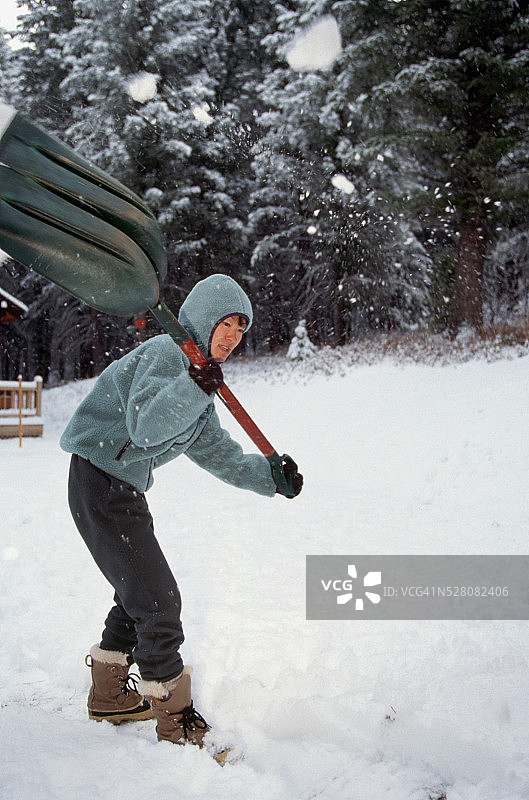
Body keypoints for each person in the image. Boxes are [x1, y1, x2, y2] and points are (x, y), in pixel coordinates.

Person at [61, 273, 303, 751]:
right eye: (226, 324)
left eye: (241, 329)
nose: (232, 337)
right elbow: (146, 427)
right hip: (99, 480)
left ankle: (109, 696)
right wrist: (194, 386)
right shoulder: (167, 355)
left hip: (121, 487)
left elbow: (221, 455)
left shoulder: (198, 380)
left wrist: (270, 479)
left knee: (140, 592)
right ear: (204, 319)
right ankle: (177, 724)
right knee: (159, 602)